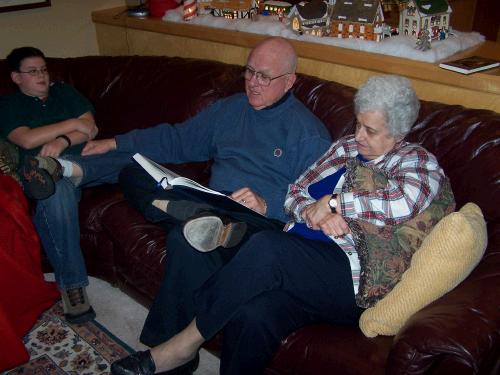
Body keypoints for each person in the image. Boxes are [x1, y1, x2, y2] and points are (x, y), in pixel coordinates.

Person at [110, 74, 453, 375]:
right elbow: (293, 195)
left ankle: (182, 345)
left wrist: (334, 204)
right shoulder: (344, 149)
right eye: (358, 124)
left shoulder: (416, 162)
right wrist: (313, 211)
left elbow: (404, 201)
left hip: (347, 278)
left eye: (371, 130)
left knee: (267, 248)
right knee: (253, 313)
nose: (359, 136)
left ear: (400, 131)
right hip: (300, 255)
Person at [0, 47, 103, 323]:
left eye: (43, 69)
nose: (41, 76)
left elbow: (90, 128)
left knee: (125, 155)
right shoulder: (8, 105)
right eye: (32, 71)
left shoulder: (64, 91)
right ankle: (73, 287)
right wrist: (71, 124)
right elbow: (27, 140)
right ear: (16, 77)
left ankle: (61, 168)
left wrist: (61, 142)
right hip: (40, 171)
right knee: (56, 191)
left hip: (84, 162)